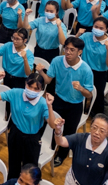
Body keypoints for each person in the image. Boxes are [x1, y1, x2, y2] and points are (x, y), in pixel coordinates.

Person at [36, 36, 94, 166]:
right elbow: (48, 80)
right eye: (66, 49)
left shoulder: (85, 69)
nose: (68, 52)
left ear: (79, 52)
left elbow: (89, 94)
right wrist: (41, 72)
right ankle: (49, 149)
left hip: (75, 105)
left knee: (69, 131)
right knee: (51, 126)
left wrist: (81, 89)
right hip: (59, 100)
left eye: (72, 50)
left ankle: (61, 155)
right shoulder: (57, 61)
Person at [0, 71, 57, 179]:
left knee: (30, 171)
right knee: (13, 166)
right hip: (15, 134)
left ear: (41, 90)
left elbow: (52, 125)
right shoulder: (15, 93)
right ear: (25, 83)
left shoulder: (42, 103)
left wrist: (50, 106)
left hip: (32, 139)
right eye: (30, 86)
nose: (32, 90)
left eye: (36, 89)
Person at [77, 17, 108, 116]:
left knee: (98, 97)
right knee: (79, 91)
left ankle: (95, 115)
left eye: (101, 28)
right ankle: (80, 110)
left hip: (99, 73)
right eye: (96, 27)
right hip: (84, 70)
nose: (97, 30)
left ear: (106, 29)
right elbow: (74, 45)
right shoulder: (86, 36)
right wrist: (78, 34)